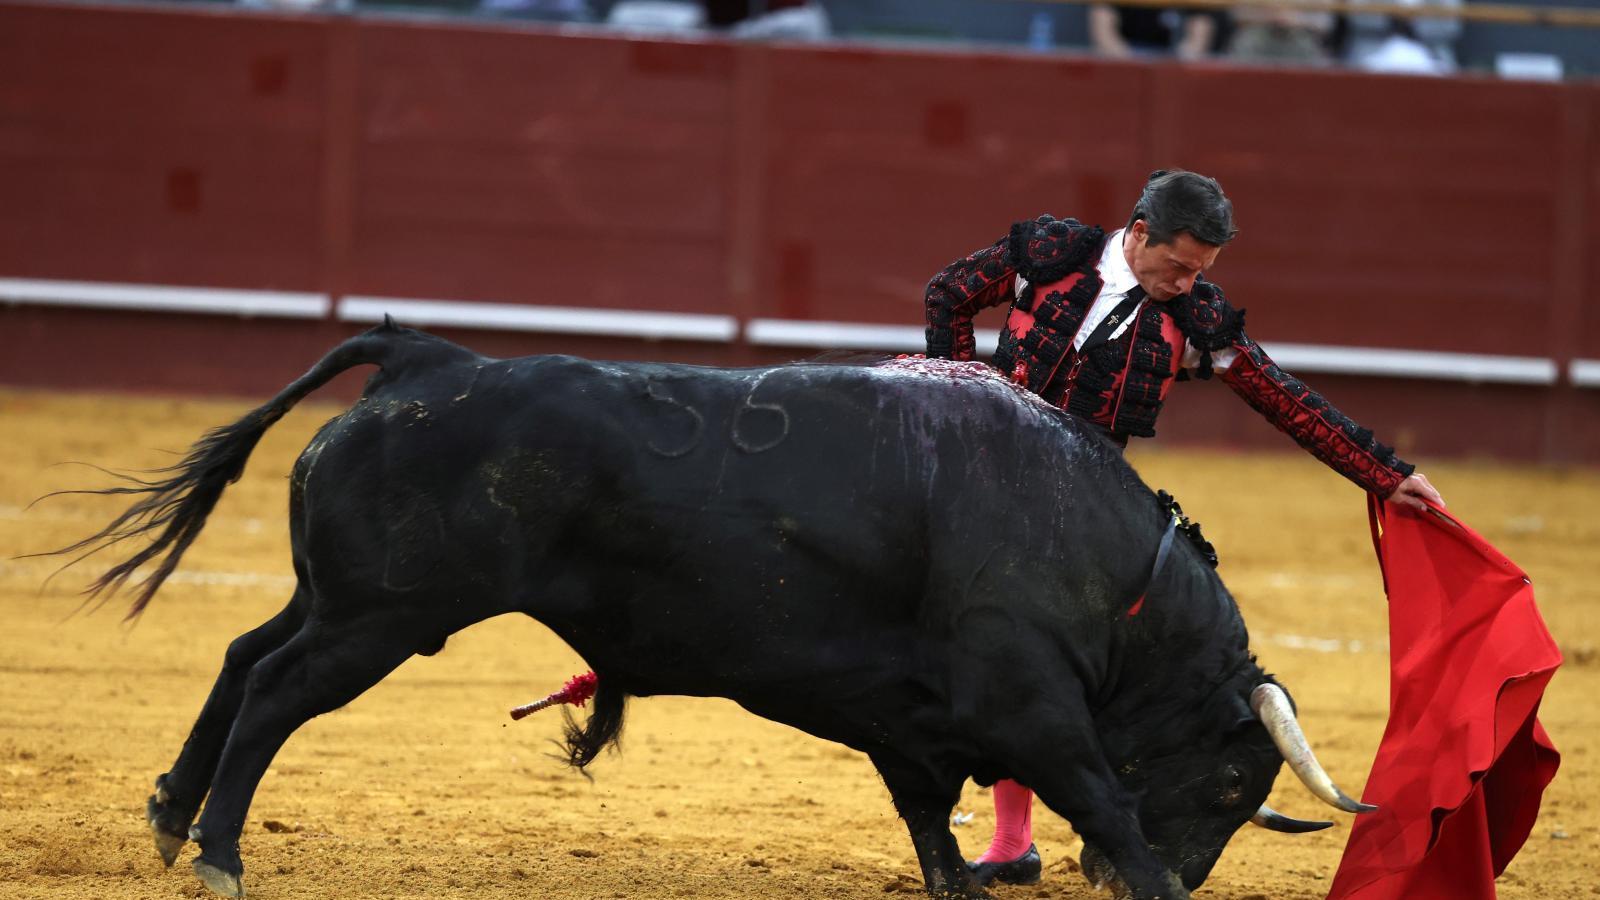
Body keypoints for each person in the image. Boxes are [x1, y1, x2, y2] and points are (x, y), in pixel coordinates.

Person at [922, 169, 1444, 886]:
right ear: (1138, 234)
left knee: (1042, 655)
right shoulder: (1050, 255)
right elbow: (948, 292)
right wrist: (963, 399)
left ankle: (1018, 840)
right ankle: (1016, 836)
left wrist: (1383, 472)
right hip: (988, 481)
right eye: (1176, 266)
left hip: (1083, 505)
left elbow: (1282, 397)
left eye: (1199, 272)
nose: (1185, 283)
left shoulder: (1195, 317)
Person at [1089, 2, 1220, 61]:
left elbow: (1201, 27)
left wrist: (1183, 60)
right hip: (1127, 59)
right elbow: (1103, 31)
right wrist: (1130, 67)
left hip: (1173, 61)